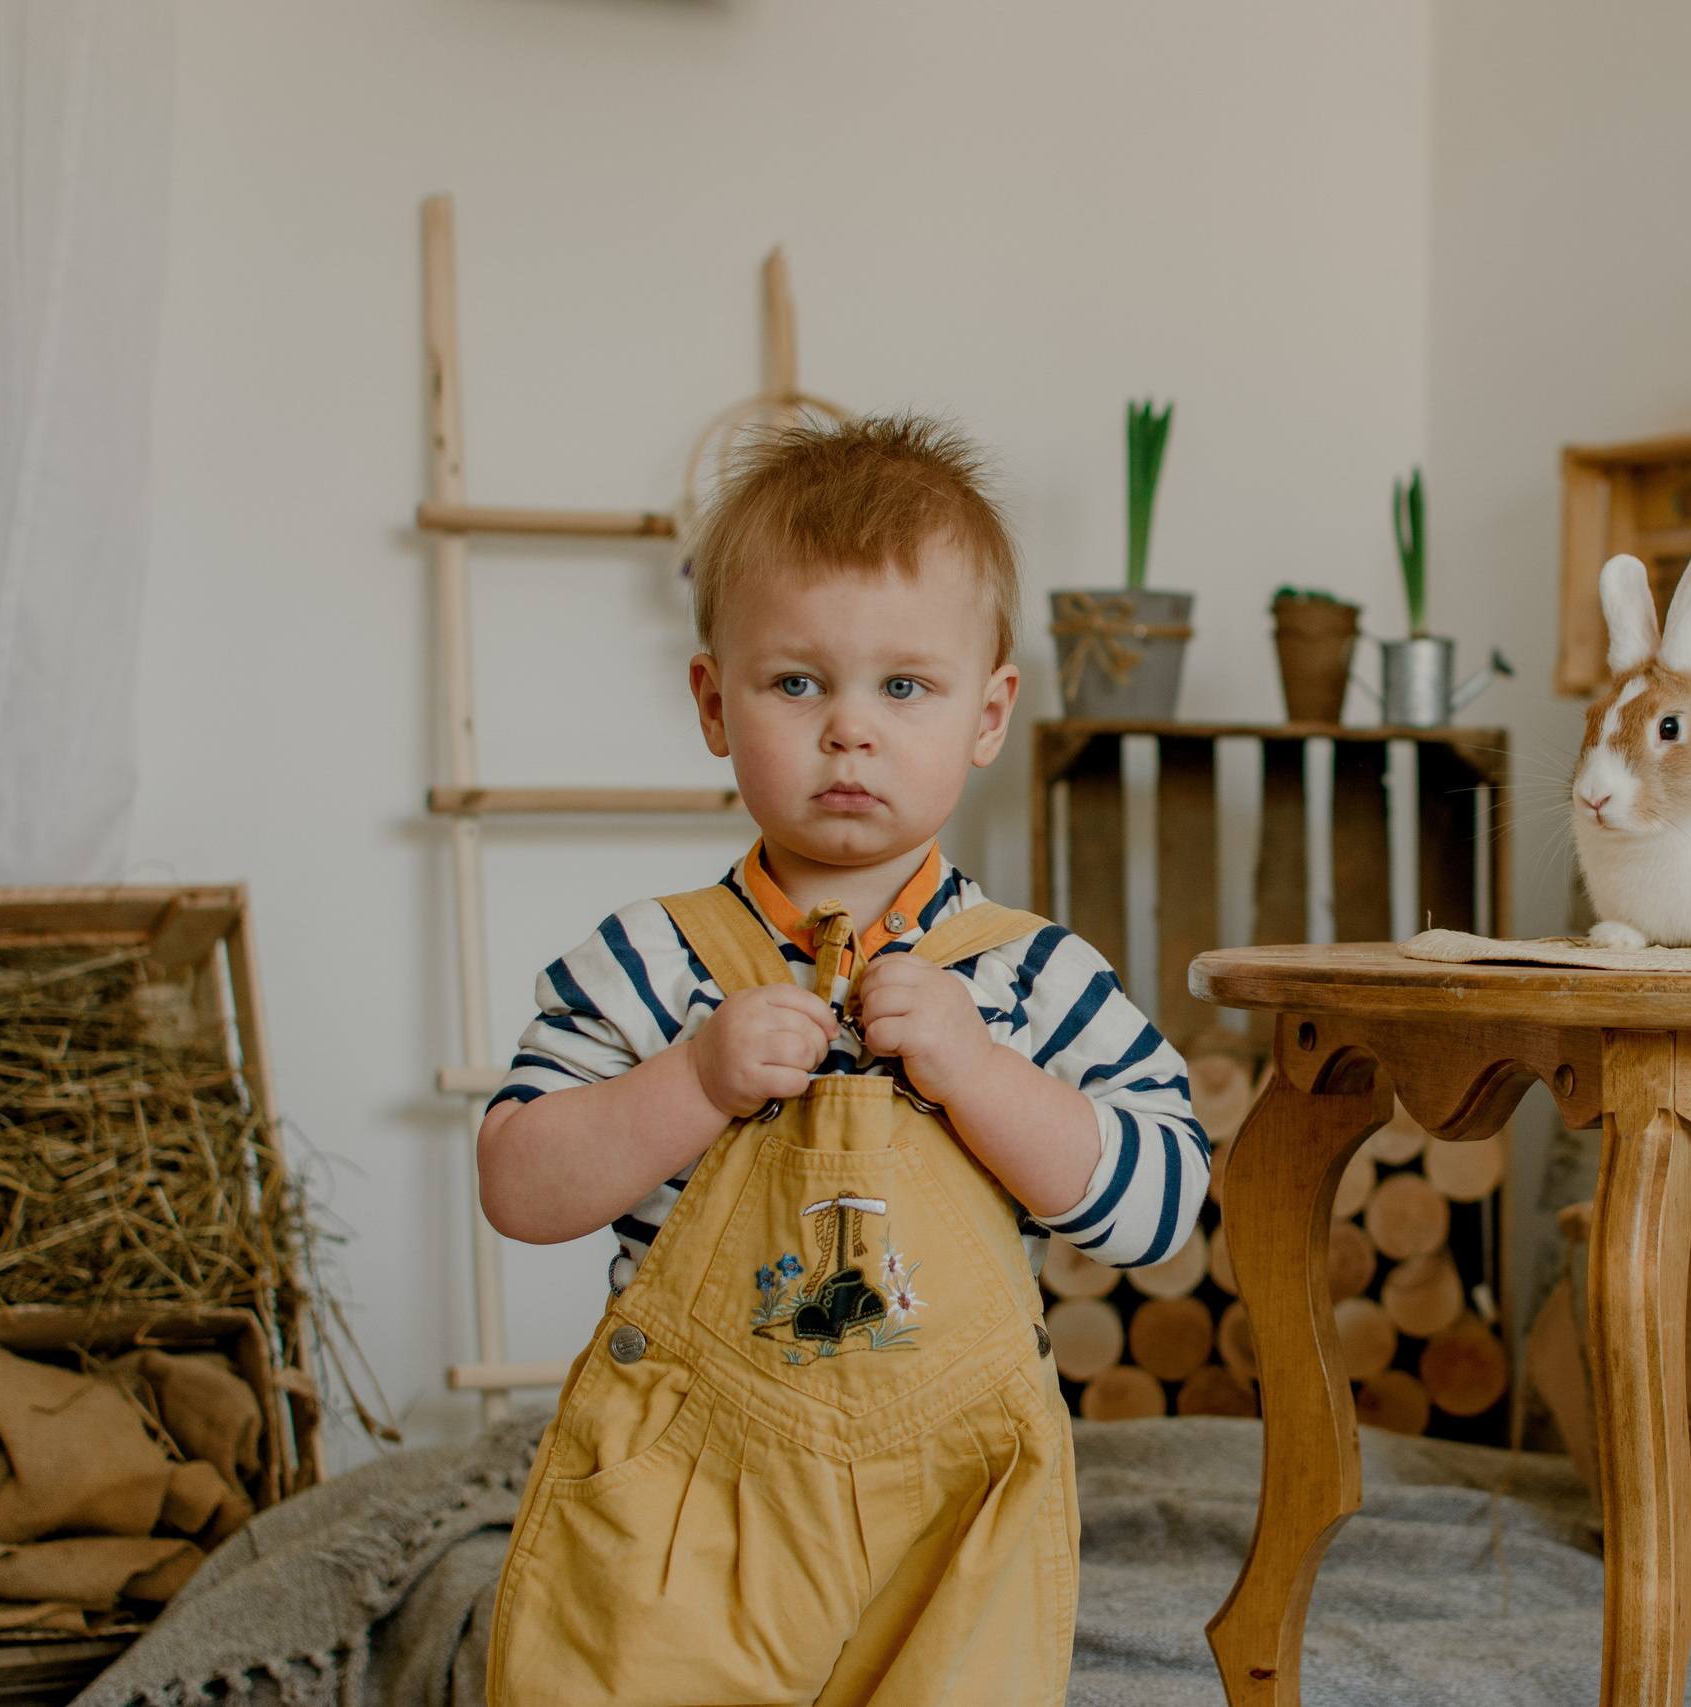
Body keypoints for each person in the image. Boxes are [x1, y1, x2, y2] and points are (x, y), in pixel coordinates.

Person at [476, 415, 1206, 1706]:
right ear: (715, 704)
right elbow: (519, 1190)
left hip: (954, 1519)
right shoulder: (650, 960)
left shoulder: (1031, 976)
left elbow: (1162, 1211)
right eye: (797, 684)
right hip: (688, 1506)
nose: (849, 731)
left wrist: (983, 1075)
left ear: (988, 715)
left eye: (904, 687)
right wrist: (692, 1082)